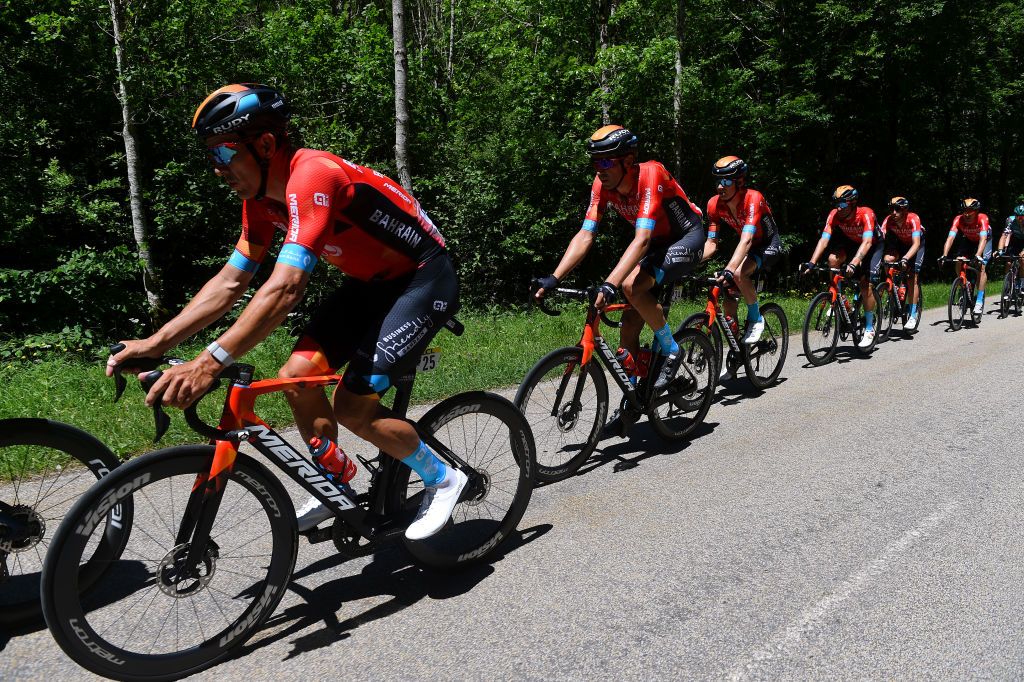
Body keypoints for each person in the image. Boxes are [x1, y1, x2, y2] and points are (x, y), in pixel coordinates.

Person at [106, 83, 463, 540]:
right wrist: (156, 344)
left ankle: (443, 477)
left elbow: (286, 287)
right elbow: (231, 281)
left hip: (423, 279)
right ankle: (335, 479)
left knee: (354, 406)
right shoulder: (259, 201)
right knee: (298, 379)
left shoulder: (313, 175)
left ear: (266, 145)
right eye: (210, 158)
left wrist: (209, 362)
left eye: (222, 155)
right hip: (370, 285)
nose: (217, 170)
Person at [534, 125, 705, 394]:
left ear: (628, 161)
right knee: (628, 331)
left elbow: (642, 240)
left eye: (605, 162)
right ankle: (633, 397)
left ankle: (672, 351)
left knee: (629, 286)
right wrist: (555, 278)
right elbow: (585, 235)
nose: (599, 169)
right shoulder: (602, 185)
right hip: (655, 245)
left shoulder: (650, 174)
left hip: (686, 238)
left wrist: (609, 284)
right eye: (594, 162)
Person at [701, 156, 783, 346]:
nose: (720, 186)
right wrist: (692, 261)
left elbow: (746, 240)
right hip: (748, 247)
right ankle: (736, 350)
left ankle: (756, 319)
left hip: (768, 244)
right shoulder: (714, 204)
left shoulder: (753, 198)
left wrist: (730, 269)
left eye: (726, 181)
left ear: (739, 182)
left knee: (738, 273)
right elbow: (711, 243)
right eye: (718, 181)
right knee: (728, 297)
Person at [800, 185, 878, 347]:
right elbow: (824, 240)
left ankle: (870, 327)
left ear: (853, 203)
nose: (838, 208)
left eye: (842, 204)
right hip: (852, 243)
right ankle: (838, 298)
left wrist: (854, 263)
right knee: (832, 260)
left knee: (865, 285)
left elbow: (868, 242)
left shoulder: (866, 213)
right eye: (836, 203)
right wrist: (812, 262)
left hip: (873, 245)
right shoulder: (835, 215)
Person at [878, 196, 925, 330]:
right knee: (887, 260)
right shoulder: (888, 220)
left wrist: (905, 258)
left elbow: (916, 244)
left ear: (905, 210)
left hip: (916, 246)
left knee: (912, 277)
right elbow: (880, 240)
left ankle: (913, 314)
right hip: (900, 244)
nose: (893, 212)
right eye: (891, 209)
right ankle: (893, 287)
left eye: (897, 209)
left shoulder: (913, 218)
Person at [940, 197, 991, 314]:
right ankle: (963, 284)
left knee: (981, 267)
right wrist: (944, 254)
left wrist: (978, 255)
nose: (967, 214)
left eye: (970, 211)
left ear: (976, 211)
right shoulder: (958, 219)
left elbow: (983, 239)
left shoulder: (982, 218)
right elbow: (950, 238)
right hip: (968, 240)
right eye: (964, 211)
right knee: (959, 260)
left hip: (984, 241)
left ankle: (979, 301)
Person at [996, 203, 1024, 299]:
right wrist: (1000, 250)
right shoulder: (1010, 220)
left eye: (1022, 217)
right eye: (1018, 216)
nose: (1020, 219)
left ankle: (1022, 283)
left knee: (1022, 260)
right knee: (1008, 262)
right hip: (1015, 240)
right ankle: (1007, 285)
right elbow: (1004, 235)